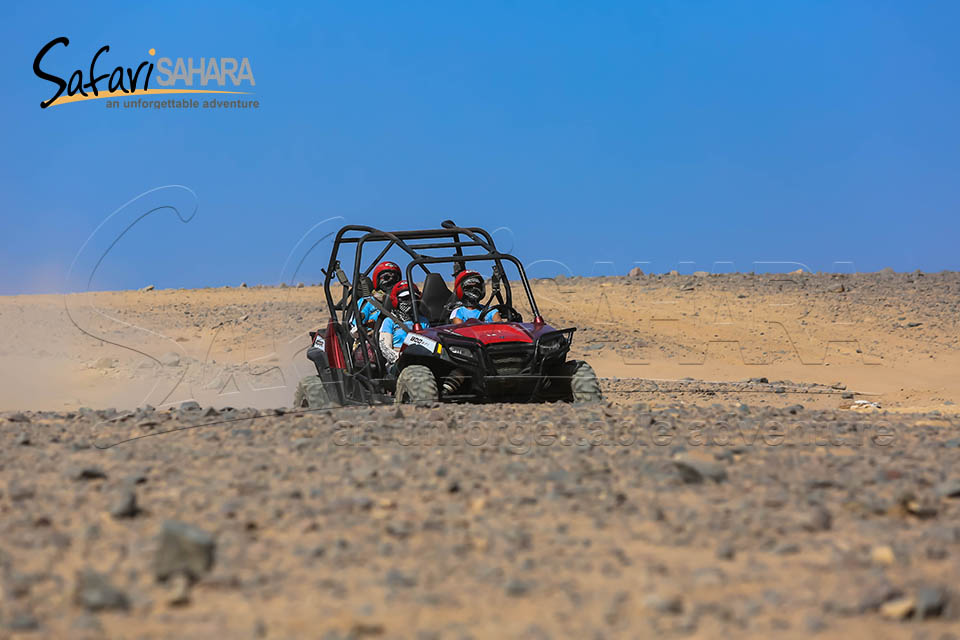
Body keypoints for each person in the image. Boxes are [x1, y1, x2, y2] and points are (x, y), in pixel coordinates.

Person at [379, 281, 430, 364]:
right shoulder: (389, 321)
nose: (410, 302)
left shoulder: (424, 321)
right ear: (396, 300)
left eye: (413, 298)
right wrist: (401, 359)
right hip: (398, 363)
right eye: (405, 298)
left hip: (423, 360)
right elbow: (385, 348)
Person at [351, 261, 401, 336]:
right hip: (370, 341)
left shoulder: (403, 301)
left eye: (395, 278)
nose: (391, 280)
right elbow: (356, 327)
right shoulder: (368, 301)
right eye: (386, 277)